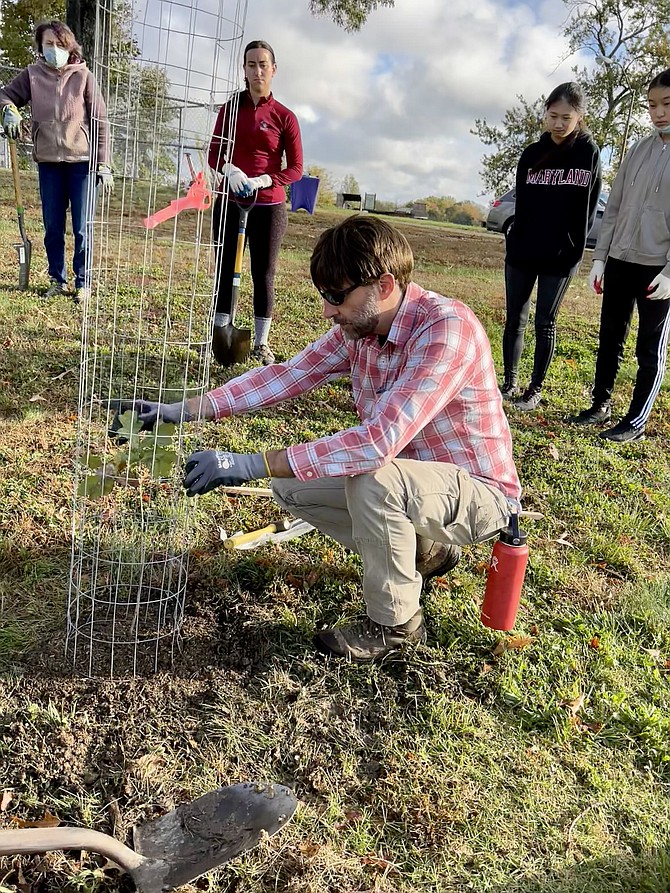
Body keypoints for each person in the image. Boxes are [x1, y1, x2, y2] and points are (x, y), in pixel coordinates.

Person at [134, 215, 522, 663]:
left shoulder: (446, 331)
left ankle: (396, 627)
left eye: (337, 297)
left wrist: (253, 462)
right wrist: (185, 410)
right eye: (325, 296)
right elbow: (286, 376)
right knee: (292, 486)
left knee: (371, 478)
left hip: (479, 494)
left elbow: (376, 443)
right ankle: (428, 551)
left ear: (384, 284)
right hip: (411, 484)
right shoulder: (359, 330)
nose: (327, 311)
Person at [570, 68, 670, 442]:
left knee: (649, 347)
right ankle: (600, 404)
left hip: (658, 270)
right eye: (652, 105)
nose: (658, 112)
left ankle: (636, 420)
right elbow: (614, 208)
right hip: (620, 263)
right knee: (610, 337)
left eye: (666, 104)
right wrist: (600, 257)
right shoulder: (639, 149)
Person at [500, 82, 602, 411]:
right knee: (515, 318)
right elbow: (523, 203)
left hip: (560, 256)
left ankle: (534, 388)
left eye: (566, 118)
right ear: (545, 114)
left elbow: (587, 210)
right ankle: (509, 382)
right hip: (523, 252)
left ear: (579, 118)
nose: (558, 124)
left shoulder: (588, 154)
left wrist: (573, 250)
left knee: (545, 321)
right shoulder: (531, 154)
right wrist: (515, 237)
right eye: (553, 116)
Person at [0, 20, 112, 304]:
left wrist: (103, 162)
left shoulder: (83, 75)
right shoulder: (32, 75)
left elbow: (100, 121)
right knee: (52, 226)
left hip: (82, 163)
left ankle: (83, 282)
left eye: (59, 45)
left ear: (69, 46)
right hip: (49, 162)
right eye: (48, 44)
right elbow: (5, 95)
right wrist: (8, 109)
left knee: (82, 227)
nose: (54, 50)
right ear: (40, 46)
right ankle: (57, 280)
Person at [208, 39, 303, 365]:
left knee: (263, 273)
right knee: (225, 269)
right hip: (230, 201)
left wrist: (267, 179)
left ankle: (261, 342)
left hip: (268, 207)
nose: (257, 70)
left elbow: (296, 168)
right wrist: (229, 169)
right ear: (244, 70)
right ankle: (220, 336)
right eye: (251, 64)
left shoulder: (284, 117)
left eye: (263, 64)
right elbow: (213, 154)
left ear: (273, 70)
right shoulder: (231, 109)